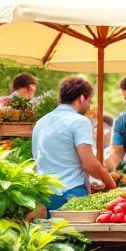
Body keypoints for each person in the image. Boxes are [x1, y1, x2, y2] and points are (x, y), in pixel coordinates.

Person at [33, 76, 117, 211]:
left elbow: (37, 159)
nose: (89, 105)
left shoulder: (41, 122)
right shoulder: (79, 121)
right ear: (82, 98)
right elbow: (89, 163)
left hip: (43, 196)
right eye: (90, 101)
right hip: (69, 194)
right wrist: (110, 184)